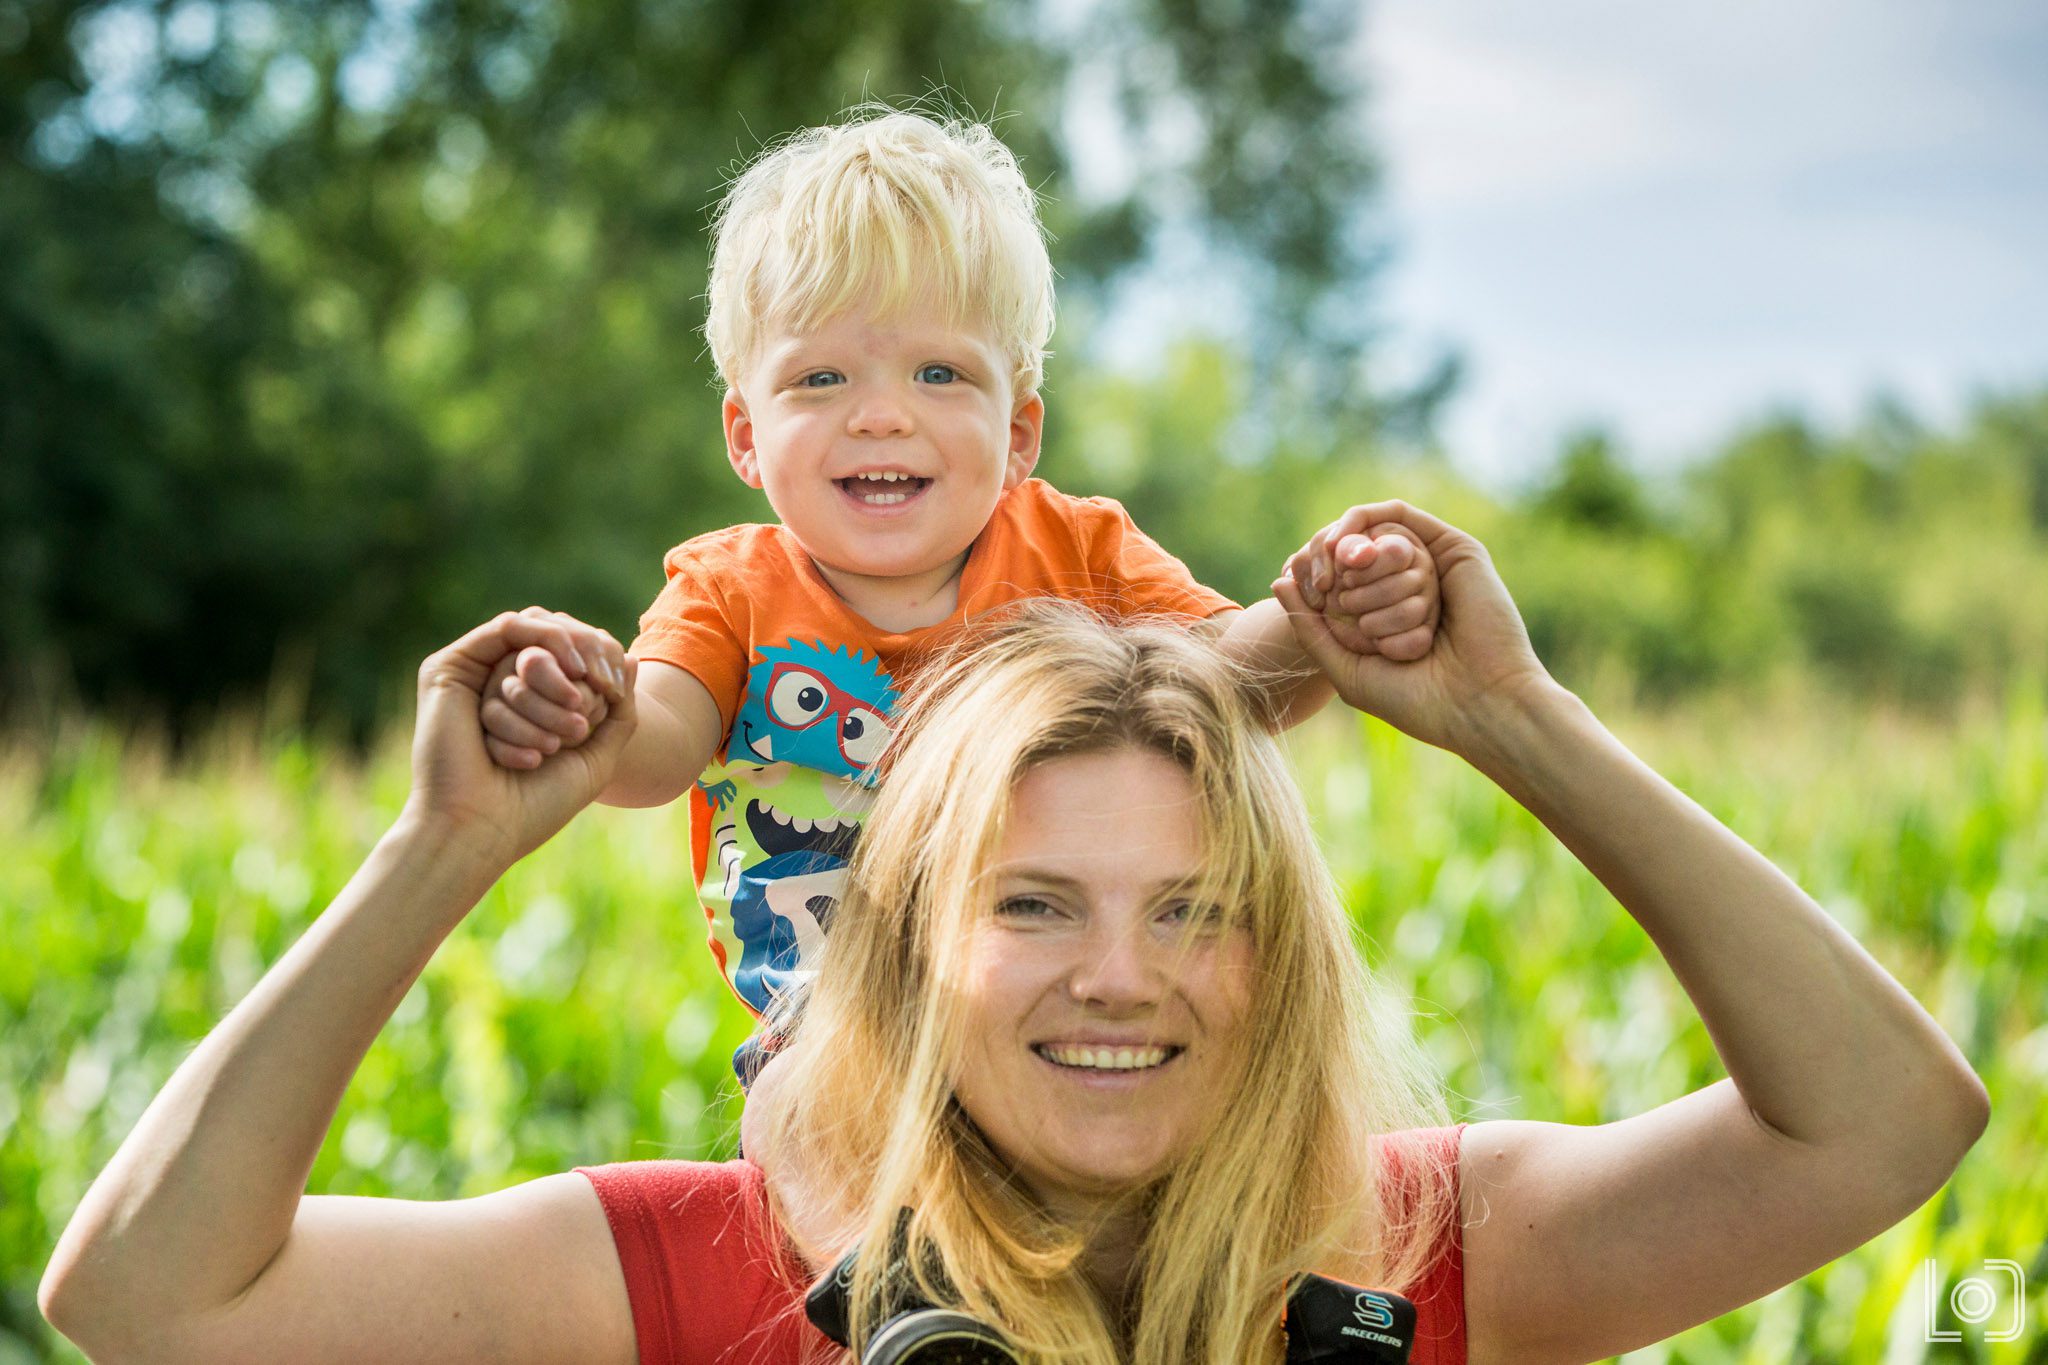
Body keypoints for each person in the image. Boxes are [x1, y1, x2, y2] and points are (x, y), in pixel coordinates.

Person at [40, 502, 1987, 1364]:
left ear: (1277, 957)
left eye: (1194, 912)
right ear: (902, 953)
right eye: (1032, 904)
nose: (1120, 974)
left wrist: (1509, 719)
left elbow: (1882, 1125)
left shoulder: (1404, 1257)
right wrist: (440, 850)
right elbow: (144, 1302)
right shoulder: (716, 1269)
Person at [465, 105, 1443, 1067]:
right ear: (745, 435)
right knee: (797, 1127)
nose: (882, 416)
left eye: (938, 373)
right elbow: (657, 749)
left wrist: (1323, 613)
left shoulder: (1078, 552)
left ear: (1017, 432)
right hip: (842, 1044)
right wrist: (587, 712)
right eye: (820, 380)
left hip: (1071, 1008)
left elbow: (1241, 688)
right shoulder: (729, 591)